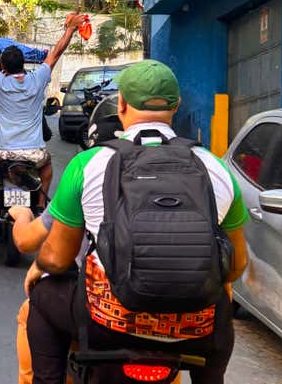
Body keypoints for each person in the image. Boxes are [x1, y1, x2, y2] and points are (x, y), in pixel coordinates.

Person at [24, 60, 250, 384]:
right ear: (176, 105)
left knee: (44, 297)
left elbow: (58, 259)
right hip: (193, 330)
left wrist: (39, 268)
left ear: (121, 104)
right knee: (221, 314)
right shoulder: (216, 169)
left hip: (107, 325)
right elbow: (236, 266)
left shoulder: (88, 164)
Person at [0, 9, 85, 213]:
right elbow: (56, 52)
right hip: (34, 153)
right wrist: (71, 29)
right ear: (23, 64)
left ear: (2, 66)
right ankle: (41, 206)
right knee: (47, 163)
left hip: (3, 152)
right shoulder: (38, 78)